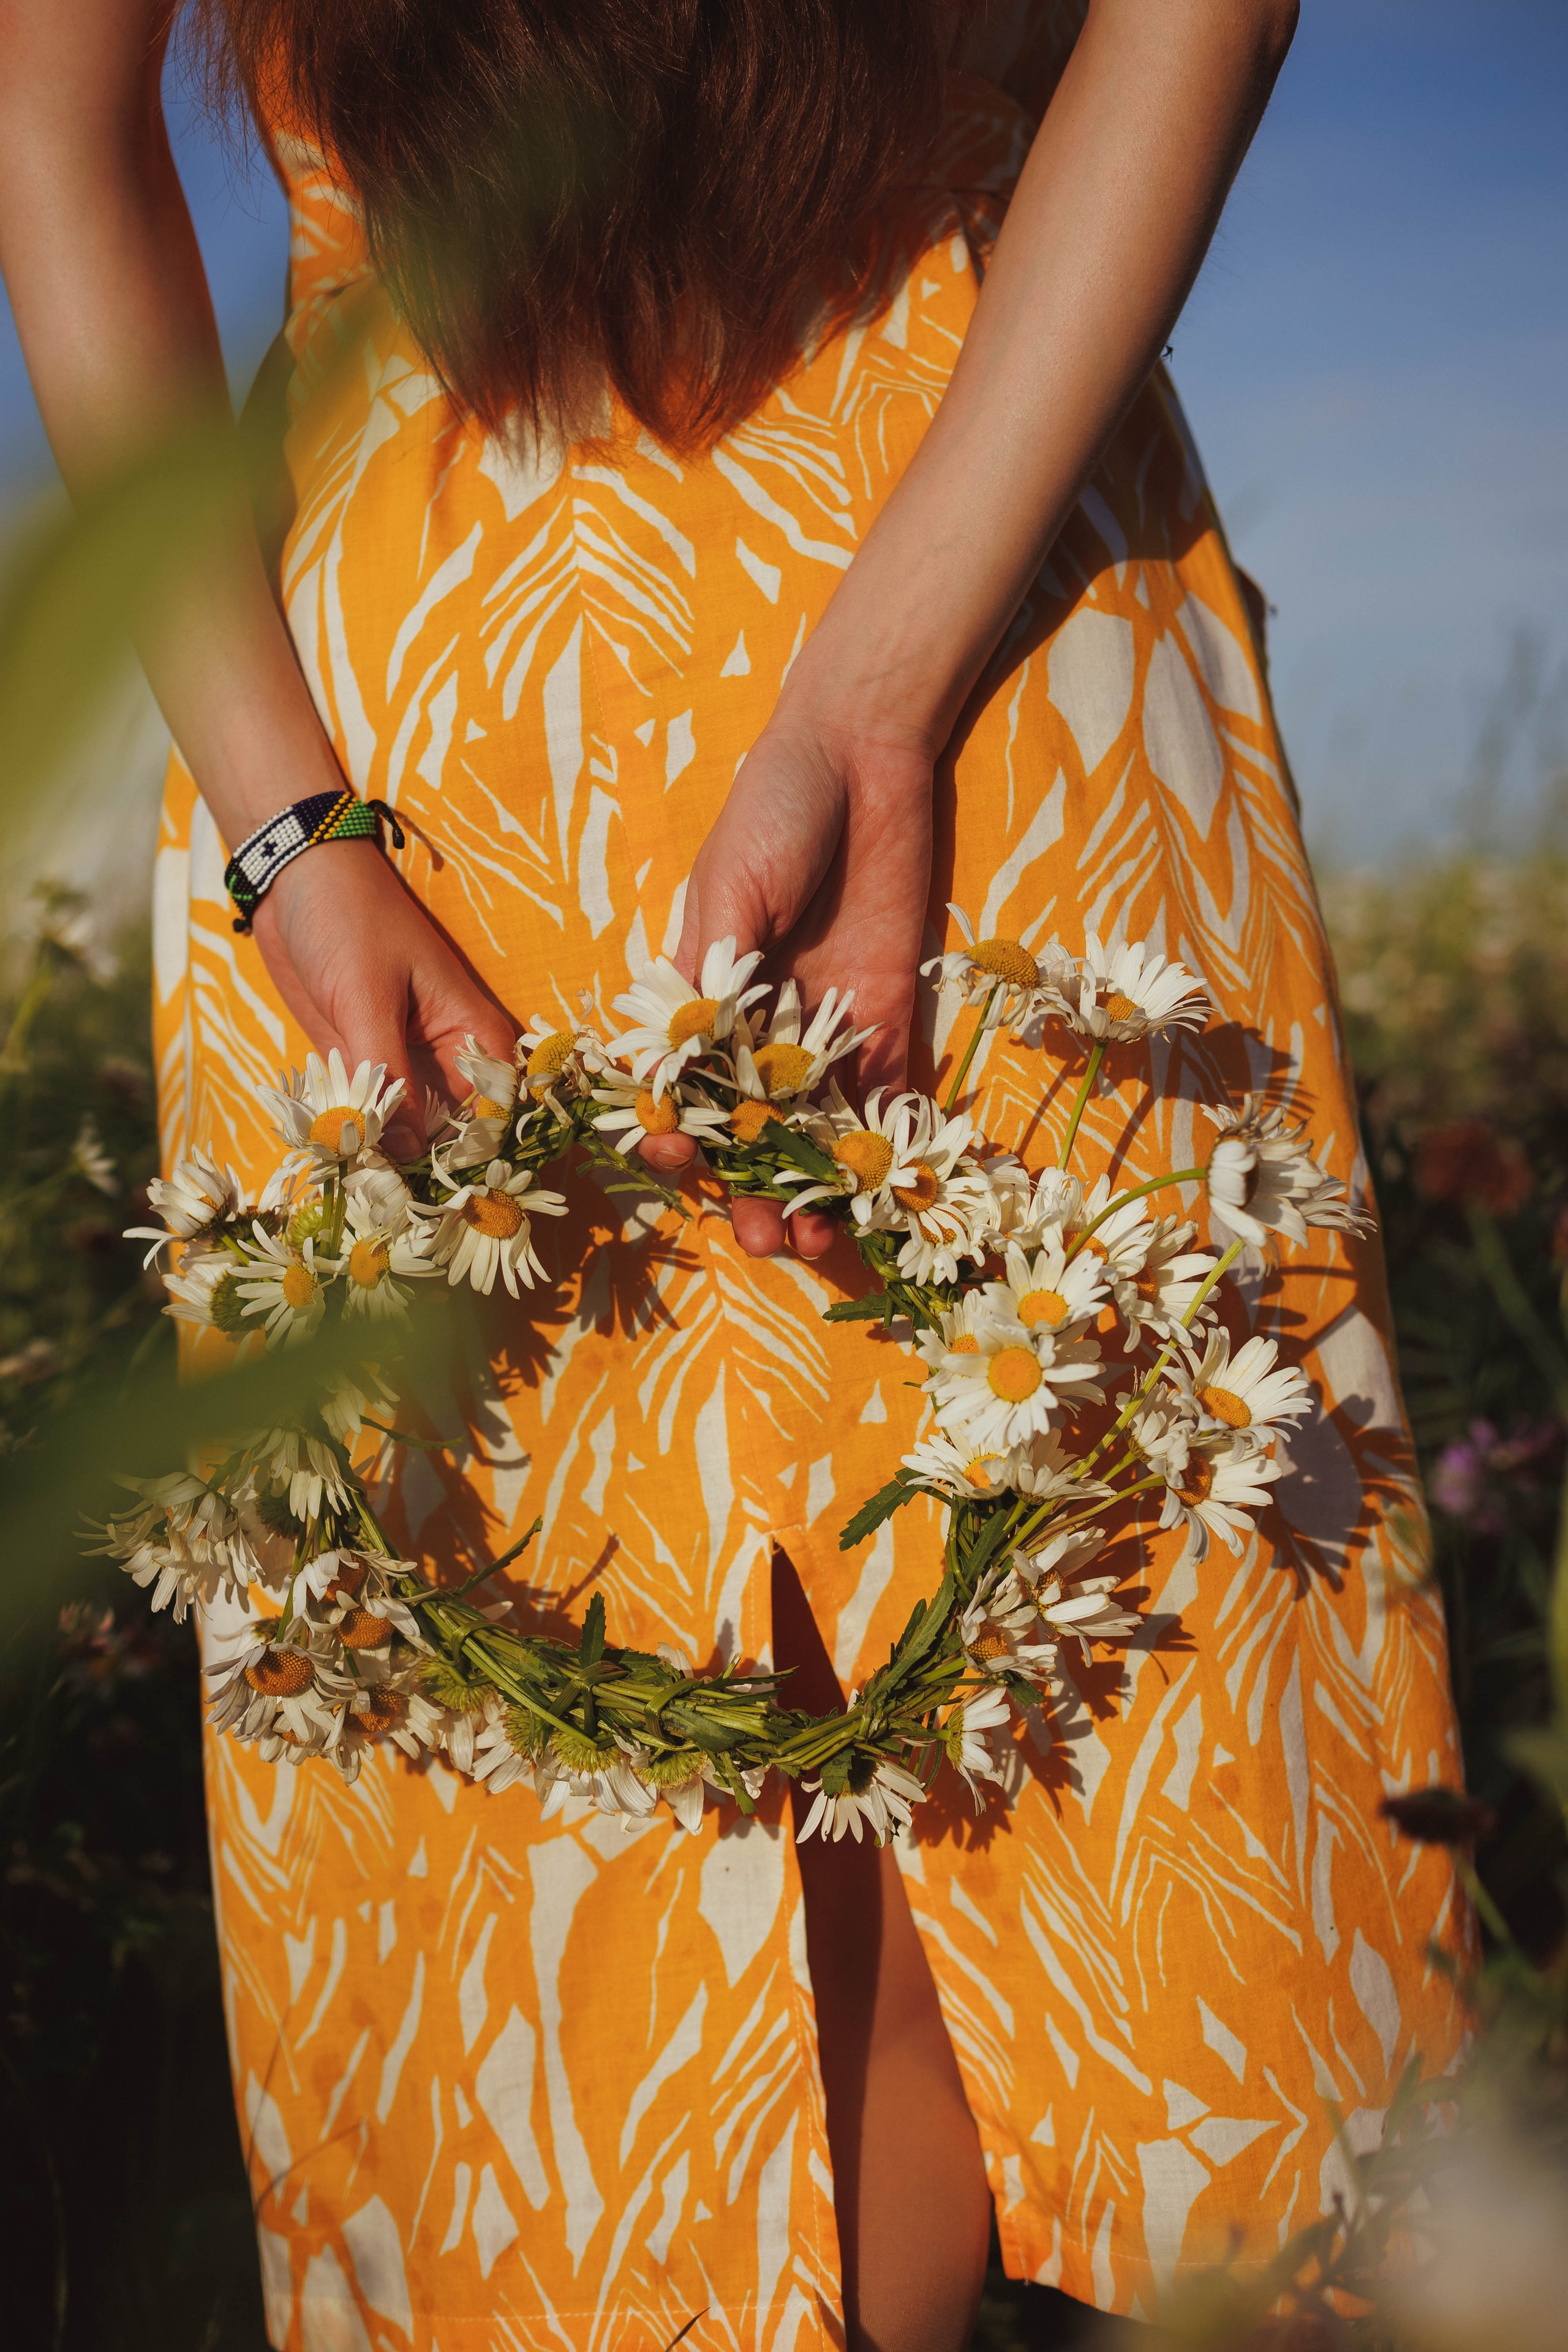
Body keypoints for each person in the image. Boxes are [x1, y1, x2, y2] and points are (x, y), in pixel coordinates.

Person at [0, 4, 1467, 2347]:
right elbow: (48, 115)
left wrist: (881, 688)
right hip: (419, 810)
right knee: (588, 1874)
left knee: (1115, 1748)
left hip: (989, 656)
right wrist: (289, 839)